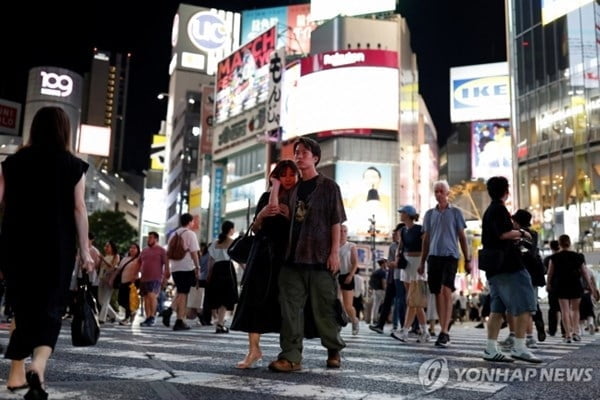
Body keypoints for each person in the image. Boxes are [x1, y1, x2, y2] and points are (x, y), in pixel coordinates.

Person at [0, 106, 94, 399]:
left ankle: (16, 375)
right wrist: (85, 251)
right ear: (65, 131)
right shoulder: (72, 165)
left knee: (22, 307)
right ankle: (38, 366)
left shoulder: (12, 163)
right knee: (50, 308)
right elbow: (79, 208)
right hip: (56, 246)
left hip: (16, 245)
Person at [268, 137, 347, 372]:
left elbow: (336, 221)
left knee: (325, 307)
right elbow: (273, 210)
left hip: (321, 257)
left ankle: (333, 348)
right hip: (292, 257)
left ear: (315, 157)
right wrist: (275, 184)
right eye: (296, 152)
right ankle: (291, 357)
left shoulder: (330, 186)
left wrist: (334, 253)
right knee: (289, 308)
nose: (299, 156)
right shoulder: (290, 188)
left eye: (303, 152)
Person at [231, 159, 300, 368]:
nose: (288, 179)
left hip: (286, 258)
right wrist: (261, 215)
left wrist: (289, 216)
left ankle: (288, 353)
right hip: (261, 256)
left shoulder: (299, 198)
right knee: (253, 300)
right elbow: (256, 228)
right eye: (283, 175)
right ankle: (254, 350)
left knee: (285, 306)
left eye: (291, 174)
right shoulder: (266, 197)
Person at [480, 176, 540, 363]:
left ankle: (491, 348)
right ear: (506, 191)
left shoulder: (490, 210)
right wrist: (522, 233)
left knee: (497, 309)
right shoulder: (499, 209)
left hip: (494, 268)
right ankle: (520, 347)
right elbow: (503, 233)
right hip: (508, 265)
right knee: (526, 302)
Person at [418, 180, 470, 348]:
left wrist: (467, 259)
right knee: (438, 293)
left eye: (441, 191)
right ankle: (443, 328)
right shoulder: (429, 215)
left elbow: (462, 237)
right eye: (436, 191)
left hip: (450, 256)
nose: (438, 193)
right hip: (433, 257)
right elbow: (425, 240)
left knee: (446, 290)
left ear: (447, 193)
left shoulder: (456, 213)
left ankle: (445, 330)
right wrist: (422, 261)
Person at [547, 234, 598, 343]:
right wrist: (590, 285)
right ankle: (576, 333)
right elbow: (584, 272)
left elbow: (550, 273)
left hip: (560, 285)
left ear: (559, 244)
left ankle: (568, 336)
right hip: (575, 284)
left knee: (564, 310)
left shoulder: (555, 257)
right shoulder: (578, 256)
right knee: (575, 310)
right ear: (569, 243)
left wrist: (548, 284)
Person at [392, 206, 428, 343]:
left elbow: (426, 246)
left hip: (417, 262)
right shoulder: (403, 231)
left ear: (409, 214)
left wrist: (423, 263)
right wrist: (397, 259)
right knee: (413, 300)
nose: (401, 214)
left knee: (413, 299)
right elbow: (400, 247)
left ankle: (405, 331)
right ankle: (424, 332)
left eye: (403, 212)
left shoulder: (420, 229)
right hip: (406, 264)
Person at [162, 213, 200, 331]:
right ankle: (174, 316)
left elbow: (167, 254)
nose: (193, 223)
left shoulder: (173, 234)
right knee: (183, 294)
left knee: (181, 292)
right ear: (189, 222)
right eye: (192, 221)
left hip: (175, 268)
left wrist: (167, 269)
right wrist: (197, 267)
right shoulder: (190, 234)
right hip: (186, 267)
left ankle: (178, 318)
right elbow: (194, 253)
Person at [205, 220, 239, 333]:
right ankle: (220, 323)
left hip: (216, 270)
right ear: (230, 230)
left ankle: (219, 322)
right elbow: (239, 259)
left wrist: (209, 274)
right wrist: (247, 269)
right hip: (228, 270)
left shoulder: (214, 243)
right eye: (233, 228)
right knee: (225, 298)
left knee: (218, 297)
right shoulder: (233, 242)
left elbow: (210, 261)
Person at [139, 232, 169, 327]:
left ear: (156, 239)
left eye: (151, 238)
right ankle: (148, 317)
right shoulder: (144, 251)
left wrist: (166, 276)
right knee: (146, 298)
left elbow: (166, 264)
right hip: (144, 278)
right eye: (148, 237)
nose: (148, 239)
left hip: (156, 277)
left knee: (152, 296)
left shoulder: (161, 250)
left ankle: (152, 316)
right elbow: (139, 263)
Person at [110, 243, 141, 325]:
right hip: (123, 282)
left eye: (134, 248)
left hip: (132, 283)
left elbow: (142, 270)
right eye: (131, 247)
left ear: (138, 250)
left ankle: (126, 318)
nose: (132, 249)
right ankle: (132, 312)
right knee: (120, 300)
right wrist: (112, 279)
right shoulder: (125, 259)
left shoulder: (139, 259)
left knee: (128, 301)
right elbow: (118, 270)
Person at [337, 224, 360, 335]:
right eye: (340, 231)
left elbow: (355, 263)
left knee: (348, 306)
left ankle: (354, 320)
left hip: (346, 275)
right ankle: (338, 322)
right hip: (335, 275)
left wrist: (351, 275)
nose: (342, 233)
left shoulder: (351, 245)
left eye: (344, 231)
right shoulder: (333, 245)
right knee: (336, 301)